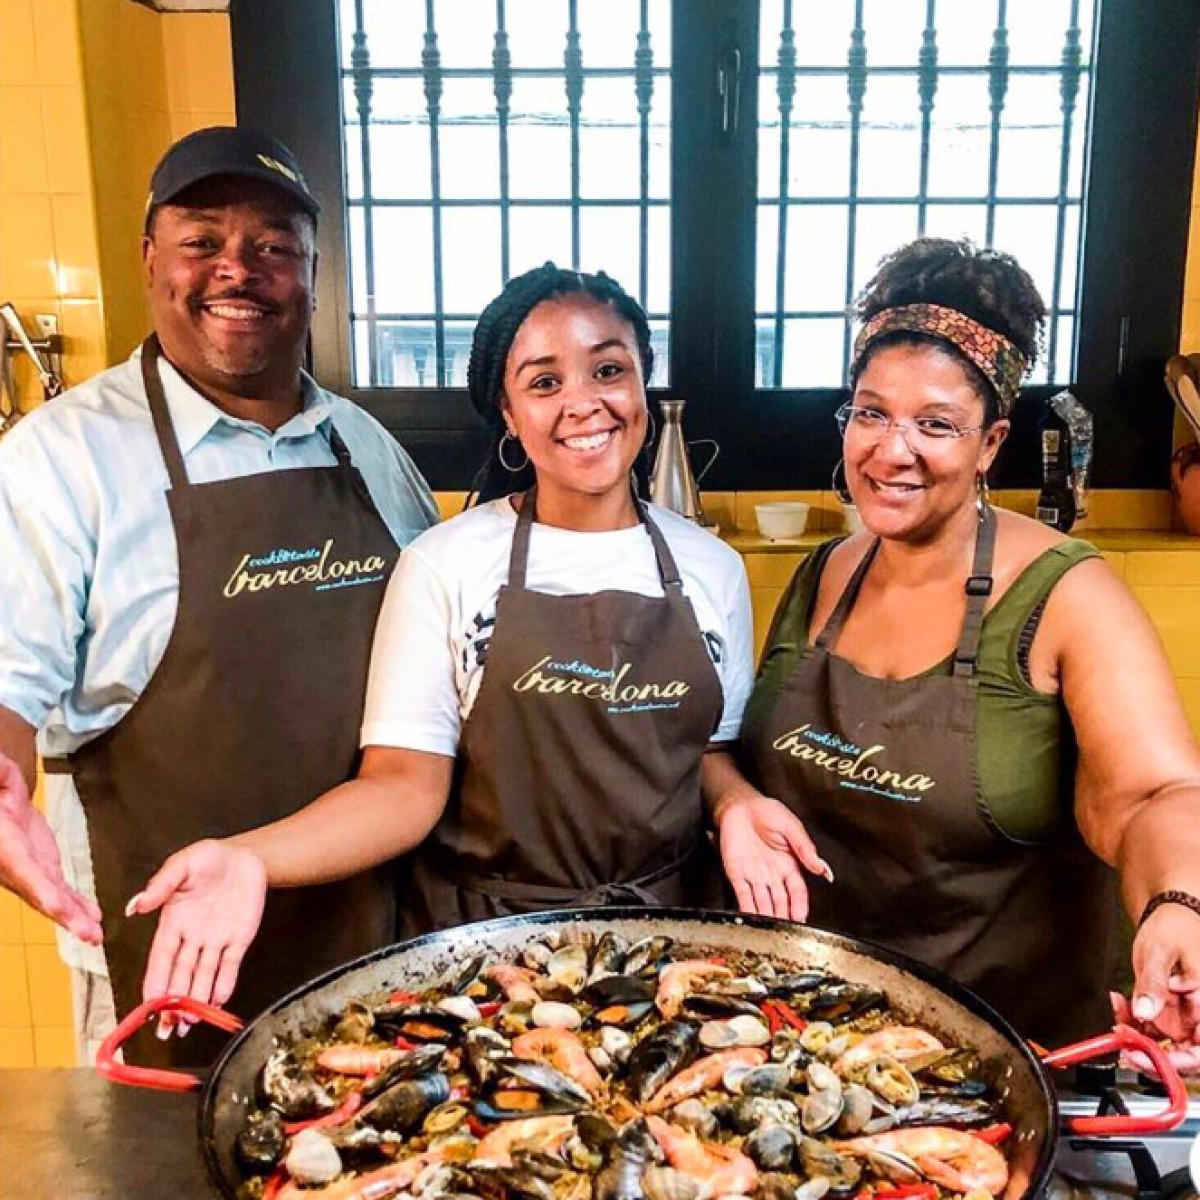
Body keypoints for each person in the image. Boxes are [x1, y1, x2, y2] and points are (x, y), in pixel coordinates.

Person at [129, 263, 830, 1002]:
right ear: (508, 413)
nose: (584, 403)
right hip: (490, 956)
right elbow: (403, 787)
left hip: (669, 949)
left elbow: (708, 753)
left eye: (608, 370)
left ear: (641, 386)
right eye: (544, 382)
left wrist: (736, 804)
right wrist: (252, 858)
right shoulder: (447, 564)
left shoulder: (711, 566)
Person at [0, 126, 438, 1066]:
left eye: (273, 245)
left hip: (370, 947)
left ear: (312, 271)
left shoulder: (370, 451)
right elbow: (8, 682)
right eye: (202, 240)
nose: (237, 269)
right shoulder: (58, 461)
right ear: (149, 258)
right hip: (163, 959)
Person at [738, 237, 1200, 1051]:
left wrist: (1179, 905)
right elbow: (744, 761)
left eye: (936, 424)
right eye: (871, 412)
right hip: (816, 1044)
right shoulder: (823, 576)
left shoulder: (1069, 595)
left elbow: (1153, 795)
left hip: (1006, 1056)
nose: (891, 450)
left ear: (990, 442)